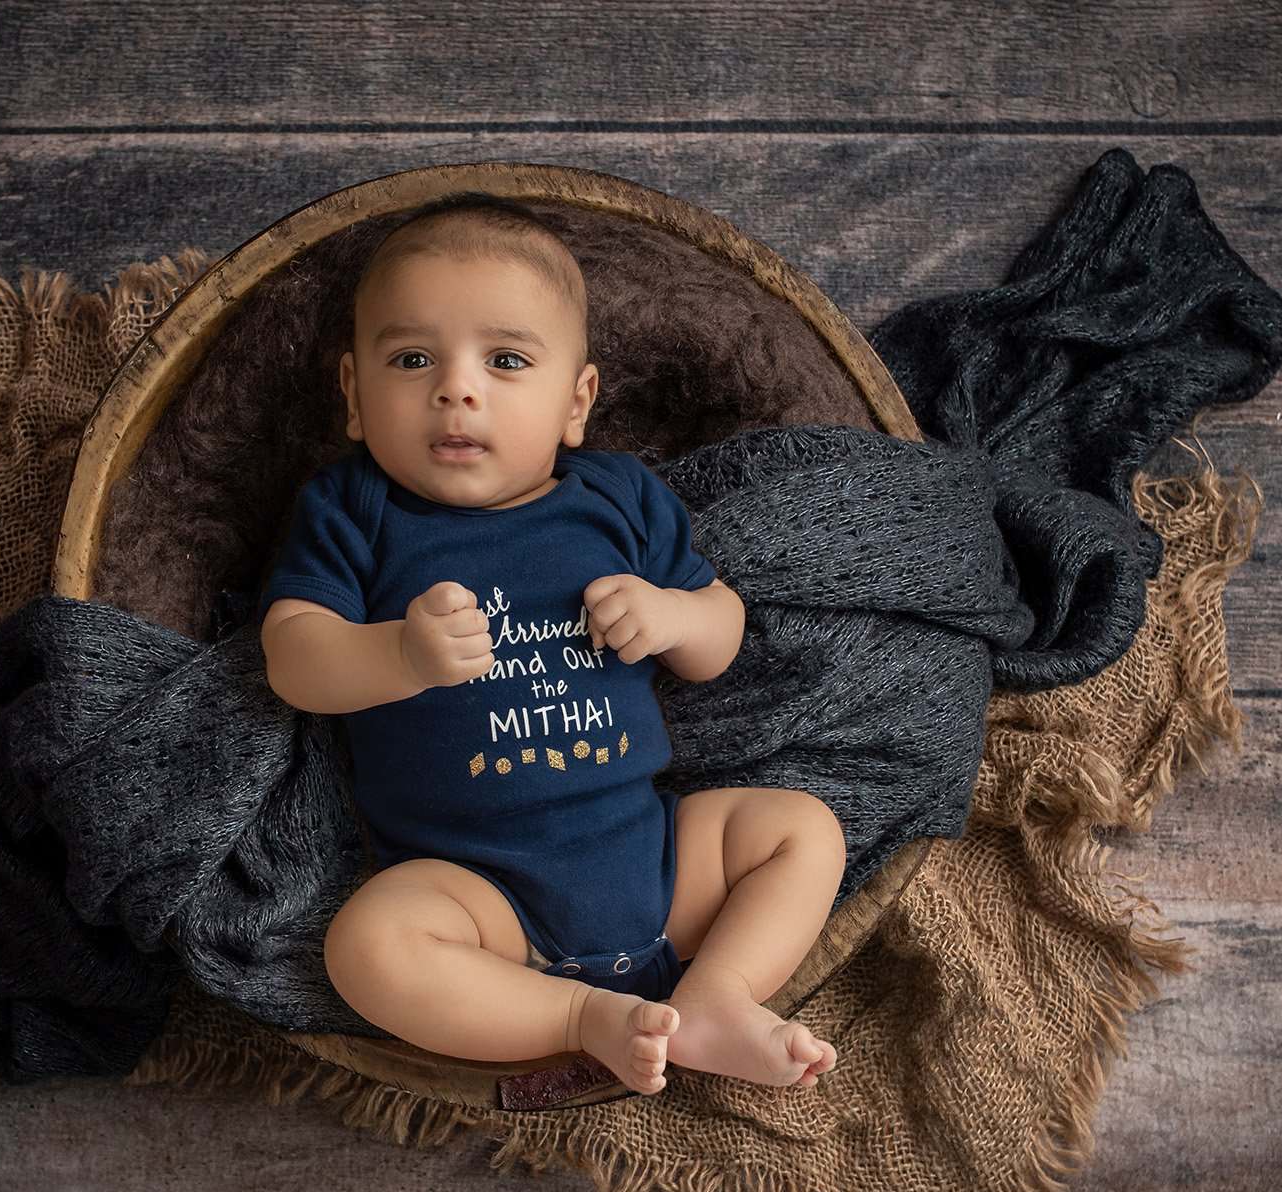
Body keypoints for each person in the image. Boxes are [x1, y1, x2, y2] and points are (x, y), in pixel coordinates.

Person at [258, 192, 845, 1095]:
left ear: (576, 402)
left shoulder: (618, 499)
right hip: (480, 895)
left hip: (655, 857)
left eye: (505, 359)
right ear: (353, 395)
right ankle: (579, 1016)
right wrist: (399, 657)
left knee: (802, 830)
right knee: (367, 943)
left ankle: (719, 992)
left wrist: (676, 615)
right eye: (412, 358)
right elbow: (293, 658)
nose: (457, 387)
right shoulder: (355, 513)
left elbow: (719, 636)